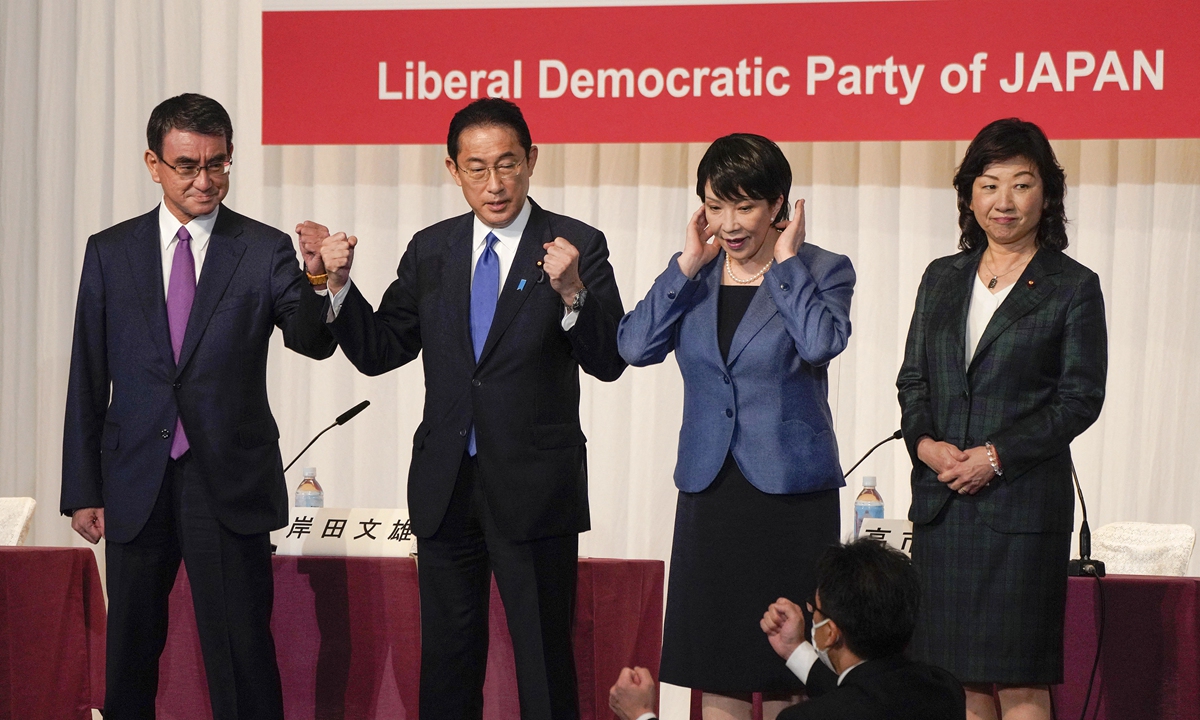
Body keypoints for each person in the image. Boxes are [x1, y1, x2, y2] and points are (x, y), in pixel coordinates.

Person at [296, 98, 625, 720]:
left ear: (532, 160)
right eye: (477, 168)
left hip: (534, 487)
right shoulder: (432, 250)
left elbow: (609, 359)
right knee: (447, 665)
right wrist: (336, 285)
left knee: (543, 665)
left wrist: (573, 293)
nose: (494, 184)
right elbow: (380, 349)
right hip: (448, 485)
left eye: (507, 164)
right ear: (452, 170)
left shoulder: (576, 245)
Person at [60, 93, 337, 719]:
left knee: (241, 656)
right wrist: (83, 487)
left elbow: (312, 341)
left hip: (227, 484)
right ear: (153, 164)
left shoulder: (263, 250)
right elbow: (88, 374)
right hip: (135, 482)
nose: (204, 180)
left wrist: (318, 279)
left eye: (217, 164)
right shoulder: (110, 252)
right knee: (128, 658)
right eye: (187, 165)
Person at [617, 134, 853, 720]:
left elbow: (822, 342)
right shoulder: (694, 274)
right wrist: (685, 265)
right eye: (715, 206)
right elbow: (633, 345)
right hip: (711, 491)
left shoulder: (822, 268)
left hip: (791, 497)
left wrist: (787, 265)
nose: (729, 223)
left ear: (780, 204)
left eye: (744, 206)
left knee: (788, 673)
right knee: (716, 665)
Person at [896, 118, 1108, 720]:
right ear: (969, 195)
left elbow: (1078, 398)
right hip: (944, 506)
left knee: (1019, 682)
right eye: (989, 185)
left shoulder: (1072, 287)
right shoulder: (942, 277)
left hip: (1018, 507)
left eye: (1021, 184)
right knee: (954, 681)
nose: (1004, 202)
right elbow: (914, 379)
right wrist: (926, 444)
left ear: (1047, 193)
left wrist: (996, 456)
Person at [609, 539, 965, 720]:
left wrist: (641, 714)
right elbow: (863, 695)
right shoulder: (943, 691)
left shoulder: (807, 719)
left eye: (816, 611)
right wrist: (796, 650)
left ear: (830, 632)